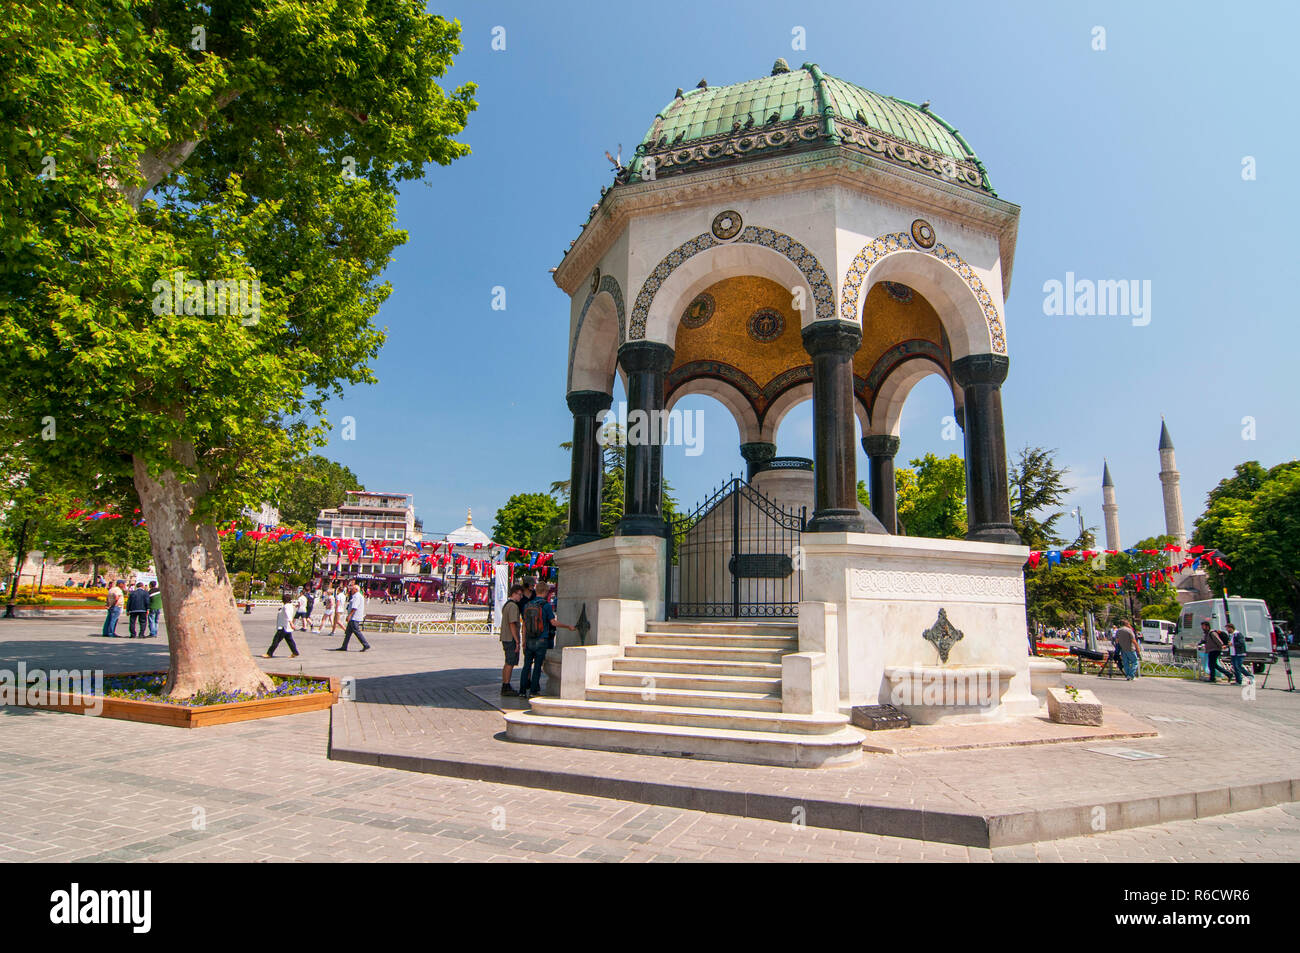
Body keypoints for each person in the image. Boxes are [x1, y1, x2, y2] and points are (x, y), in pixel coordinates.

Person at [499, 583, 524, 696]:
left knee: (507, 662)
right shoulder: (513, 606)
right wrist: (517, 641)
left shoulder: (506, 605)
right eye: (519, 594)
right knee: (510, 662)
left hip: (505, 637)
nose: (520, 597)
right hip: (510, 638)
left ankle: (505, 684)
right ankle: (506, 686)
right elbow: (512, 624)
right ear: (514, 593)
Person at [333, 581, 370, 652]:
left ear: (356, 590)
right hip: (353, 617)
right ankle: (344, 646)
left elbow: (354, 607)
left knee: (356, 631)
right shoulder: (356, 596)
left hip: (354, 617)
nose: (351, 590)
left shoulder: (357, 596)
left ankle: (365, 644)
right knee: (348, 632)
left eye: (352, 589)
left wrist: (349, 616)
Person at [264, 591, 300, 658]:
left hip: (283, 627)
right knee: (290, 641)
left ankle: (269, 653)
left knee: (276, 640)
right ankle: (295, 652)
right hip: (287, 627)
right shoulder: (290, 606)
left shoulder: (286, 607)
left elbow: (288, 615)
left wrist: (291, 623)